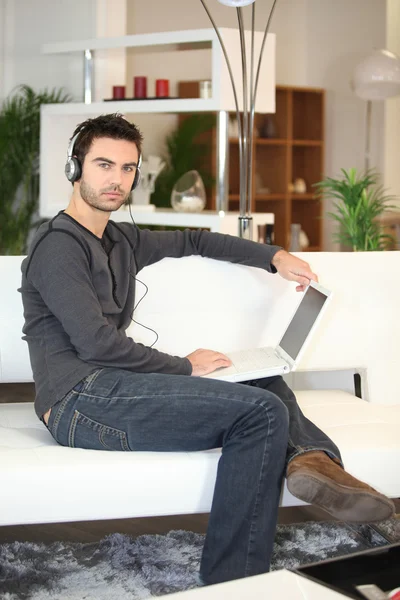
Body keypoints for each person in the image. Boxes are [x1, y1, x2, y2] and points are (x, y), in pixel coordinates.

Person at [20, 113, 394, 587]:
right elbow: (96, 343)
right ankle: (235, 582)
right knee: (260, 413)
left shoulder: (118, 239)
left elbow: (194, 239)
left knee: (260, 378)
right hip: (79, 402)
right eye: (103, 165)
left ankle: (312, 460)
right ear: (75, 169)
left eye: (128, 168)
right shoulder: (58, 247)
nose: (116, 180)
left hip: (114, 386)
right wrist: (185, 366)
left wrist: (274, 257)